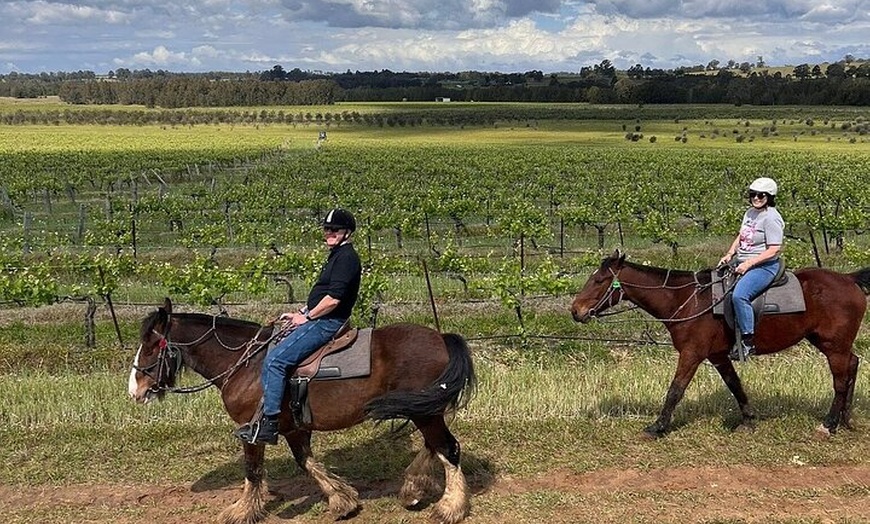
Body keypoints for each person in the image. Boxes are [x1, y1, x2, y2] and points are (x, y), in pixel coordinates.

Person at [235, 208, 362, 444]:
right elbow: (323, 294)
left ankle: (270, 424)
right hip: (319, 317)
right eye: (326, 229)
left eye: (334, 230)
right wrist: (301, 313)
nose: (329, 233)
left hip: (327, 323)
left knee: (275, 361)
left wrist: (309, 317)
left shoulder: (347, 258)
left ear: (347, 232)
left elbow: (333, 299)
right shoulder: (336, 255)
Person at [718, 177, 784, 361]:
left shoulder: (771, 218)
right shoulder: (749, 213)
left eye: (761, 195)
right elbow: (742, 235)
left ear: (770, 197)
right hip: (741, 261)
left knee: (740, 295)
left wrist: (748, 264)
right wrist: (730, 253)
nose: (756, 198)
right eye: (753, 194)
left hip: (764, 266)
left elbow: (774, 249)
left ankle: (748, 341)